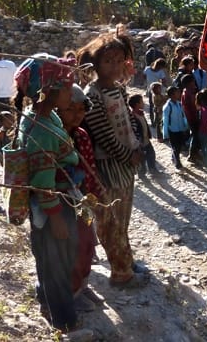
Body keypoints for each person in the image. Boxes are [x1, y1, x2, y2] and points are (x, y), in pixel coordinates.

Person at [77, 31, 149, 289]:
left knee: (123, 218)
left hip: (125, 164)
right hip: (107, 166)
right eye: (108, 61)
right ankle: (121, 273)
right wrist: (127, 155)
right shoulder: (93, 95)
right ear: (95, 64)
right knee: (111, 221)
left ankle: (126, 260)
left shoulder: (118, 89)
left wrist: (137, 146)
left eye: (119, 61)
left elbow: (128, 121)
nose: (115, 66)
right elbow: (103, 134)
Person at [13, 55, 80, 332]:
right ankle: (64, 320)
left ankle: (46, 301)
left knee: (49, 258)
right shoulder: (40, 128)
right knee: (57, 262)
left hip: (58, 200)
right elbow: (43, 183)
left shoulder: (44, 115)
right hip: (53, 206)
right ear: (51, 89)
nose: (70, 93)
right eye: (67, 87)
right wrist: (56, 218)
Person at [56, 84, 103, 312]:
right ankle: (72, 292)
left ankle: (82, 286)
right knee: (70, 247)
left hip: (82, 200)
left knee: (87, 243)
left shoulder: (81, 134)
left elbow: (89, 169)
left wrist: (94, 199)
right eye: (70, 110)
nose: (77, 115)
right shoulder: (52, 136)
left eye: (81, 110)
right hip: (61, 201)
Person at [128, 94, 160, 176]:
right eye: (141, 102)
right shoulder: (133, 116)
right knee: (142, 159)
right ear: (136, 104)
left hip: (146, 140)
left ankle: (152, 170)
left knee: (151, 154)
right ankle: (142, 174)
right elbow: (134, 131)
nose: (143, 103)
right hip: (140, 142)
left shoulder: (141, 113)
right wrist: (138, 142)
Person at [162, 86, 189, 170]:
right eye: (177, 92)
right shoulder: (167, 107)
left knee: (179, 146)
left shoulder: (179, 104)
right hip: (172, 130)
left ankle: (174, 158)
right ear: (172, 95)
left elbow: (183, 116)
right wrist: (165, 133)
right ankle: (178, 164)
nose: (179, 93)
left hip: (180, 129)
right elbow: (165, 121)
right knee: (175, 147)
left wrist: (186, 125)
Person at [180, 73, 200, 163]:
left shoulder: (189, 91)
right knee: (195, 135)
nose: (194, 82)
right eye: (192, 81)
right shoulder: (187, 93)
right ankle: (192, 155)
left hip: (193, 117)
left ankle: (196, 152)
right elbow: (190, 107)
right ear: (188, 83)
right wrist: (195, 117)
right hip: (192, 118)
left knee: (196, 135)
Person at [143, 58, 167, 124]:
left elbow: (144, 77)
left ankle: (155, 120)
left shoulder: (149, 70)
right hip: (153, 91)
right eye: (162, 67)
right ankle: (154, 120)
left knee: (155, 105)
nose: (161, 68)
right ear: (159, 65)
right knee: (153, 105)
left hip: (156, 91)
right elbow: (164, 81)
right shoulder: (149, 69)